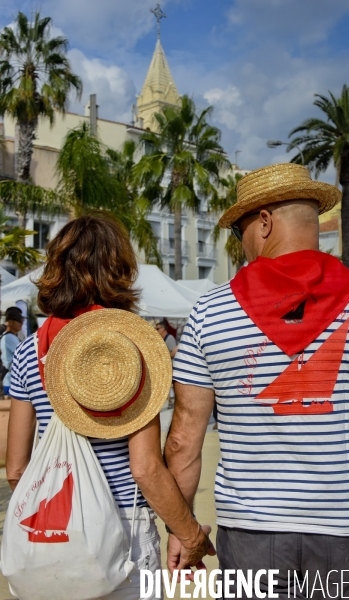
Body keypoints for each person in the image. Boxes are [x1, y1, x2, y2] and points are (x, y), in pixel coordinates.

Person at [165, 164, 349, 599]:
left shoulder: (210, 314)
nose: (240, 246)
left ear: (265, 223)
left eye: (240, 233)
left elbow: (182, 441)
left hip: (253, 535)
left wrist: (183, 530)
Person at [6, 214, 214, 600]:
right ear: (118, 269)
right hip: (124, 533)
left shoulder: (28, 352)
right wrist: (188, 534)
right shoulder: (130, 352)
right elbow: (145, 468)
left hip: (52, 531)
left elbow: (16, 467)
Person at [1, 306, 24, 397]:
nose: (21, 323)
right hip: (11, 381)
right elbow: (23, 356)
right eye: (18, 320)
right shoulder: (10, 337)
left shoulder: (7, 336)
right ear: (10, 322)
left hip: (9, 380)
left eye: (22, 320)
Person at [156, 320, 177, 408]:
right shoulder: (163, 339)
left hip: (172, 365)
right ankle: (170, 400)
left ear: (163, 329)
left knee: (170, 385)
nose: (156, 330)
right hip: (167, 366)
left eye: (158, 328)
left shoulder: (170, 338)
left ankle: (172, 401)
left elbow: (174, 351)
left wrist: (163, 357)